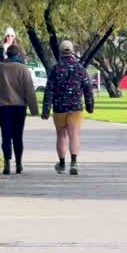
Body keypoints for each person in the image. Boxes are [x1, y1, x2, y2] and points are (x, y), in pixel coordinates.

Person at [41, 40, 94, 175]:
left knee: (61, 136)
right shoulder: (80, 69)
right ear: (72, 51)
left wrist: (46, 110)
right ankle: (74, 162)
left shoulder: (55, 69)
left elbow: (49, 91)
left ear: (60, 51)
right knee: (74, 135)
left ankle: (62, 163)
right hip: (75, 107)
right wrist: (89, 106)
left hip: (59, 108)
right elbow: (87, 89)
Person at [0, 44, 38, 175]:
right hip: (19, 106)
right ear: (18, 55)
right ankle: (19, 163)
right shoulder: (23, 69)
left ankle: (6, 163)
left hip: (4, 106)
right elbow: (29, 90)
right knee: (17, 136)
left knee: (5, 135)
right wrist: (34, 109)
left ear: (7, 55)